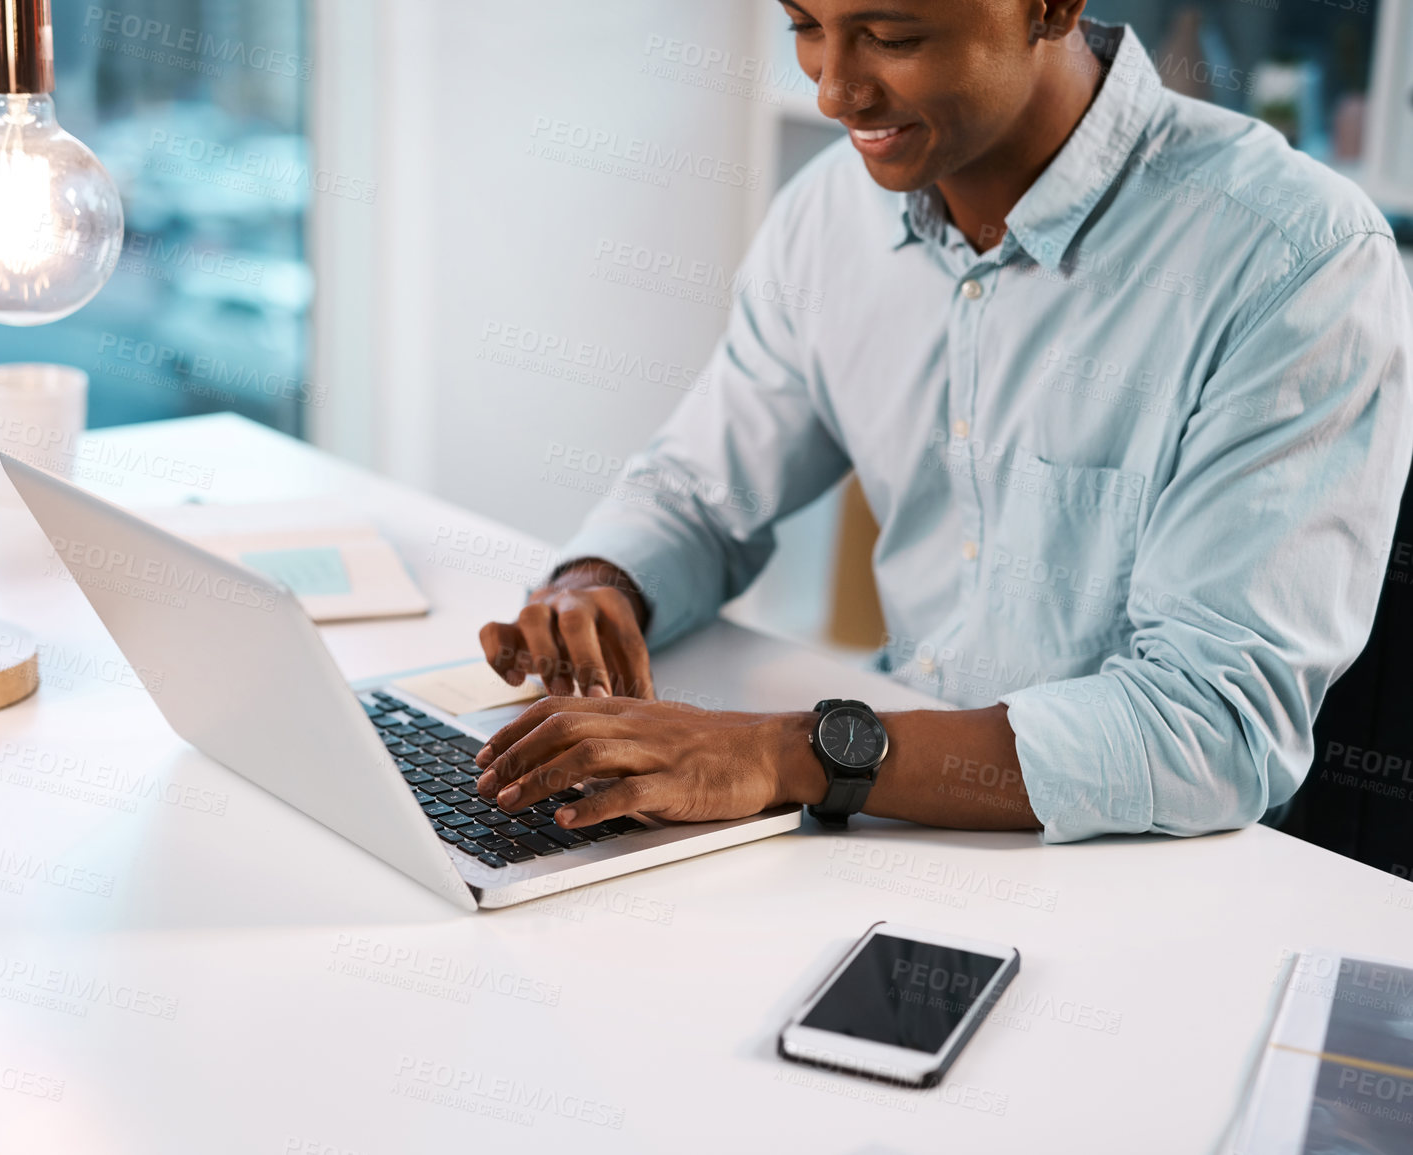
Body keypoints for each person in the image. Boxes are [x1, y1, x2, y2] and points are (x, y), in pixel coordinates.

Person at [471, 0, 1413, 842]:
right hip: (884, 813)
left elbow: (1206, 728)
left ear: (1049, 8)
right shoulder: (828, 217)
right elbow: (700, 492)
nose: (837, 92)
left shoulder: (1292, 257)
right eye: (804, 25)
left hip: (1138, 862)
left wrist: (783, 753)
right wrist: (598, 584)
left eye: (892, 36)